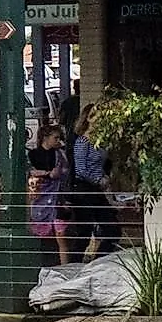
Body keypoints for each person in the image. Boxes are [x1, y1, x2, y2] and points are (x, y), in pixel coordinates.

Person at [70, 108, 118, 255]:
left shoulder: (99, 142)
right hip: (84, 189)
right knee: (84, 231)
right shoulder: (82, 142)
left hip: (97, 189)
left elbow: (100, 164)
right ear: (89, 119)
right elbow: (81, 170)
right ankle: (75, 262)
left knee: (112, 229)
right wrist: (98, 179)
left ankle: (99, 259)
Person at [28, 120, 70, 267]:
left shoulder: (60, 155)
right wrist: (47, 174)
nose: (58, 141)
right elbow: (30, 172)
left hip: (57, 198)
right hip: (41, 198)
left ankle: (64, 267)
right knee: (42, 236)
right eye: (55, 138)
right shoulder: (33, 155)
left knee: (61, 235)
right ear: (45, 138)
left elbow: (65, 172)